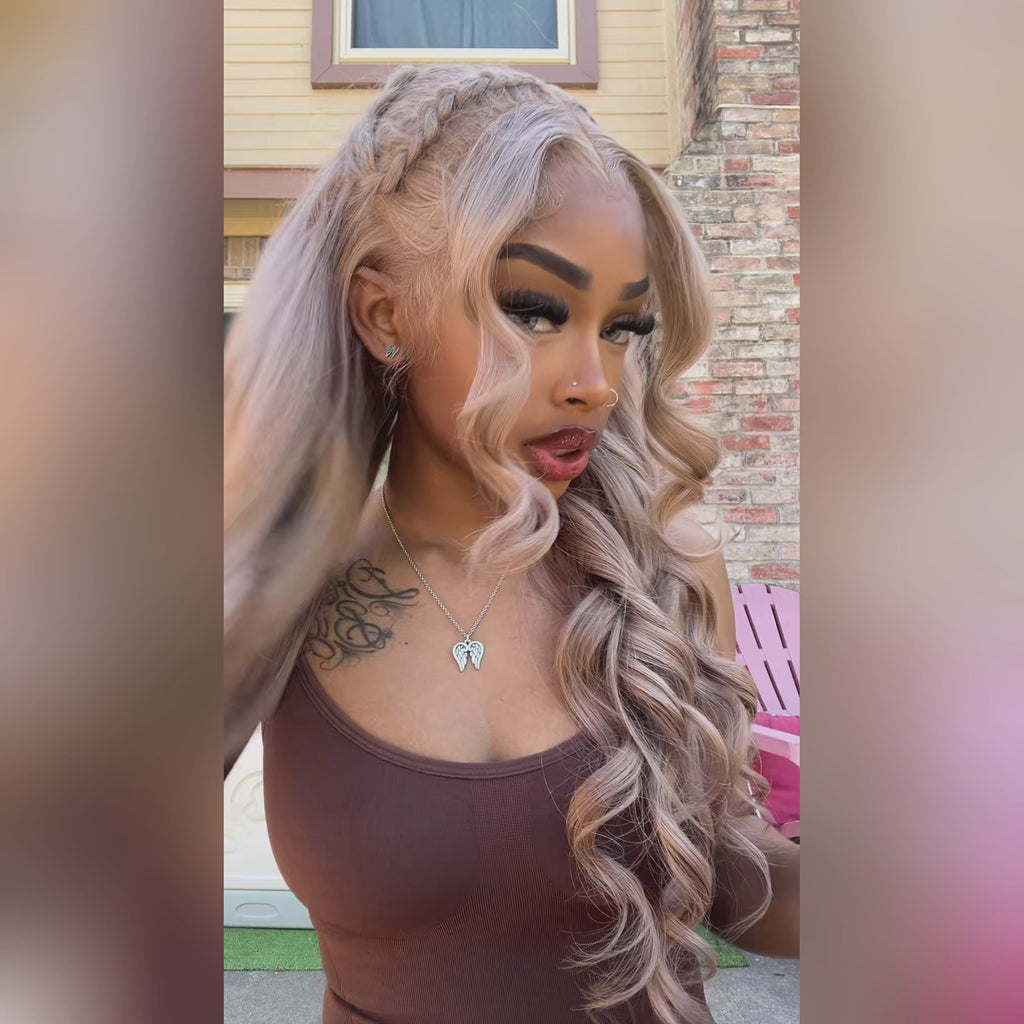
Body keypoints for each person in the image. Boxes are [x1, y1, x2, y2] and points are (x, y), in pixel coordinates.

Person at [224, 63, 798, 1024]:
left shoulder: (667, 568)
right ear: (384, 315)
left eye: (622, 327)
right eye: (534, 311)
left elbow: (737, 881)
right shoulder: (288, 582)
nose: (595, 382)